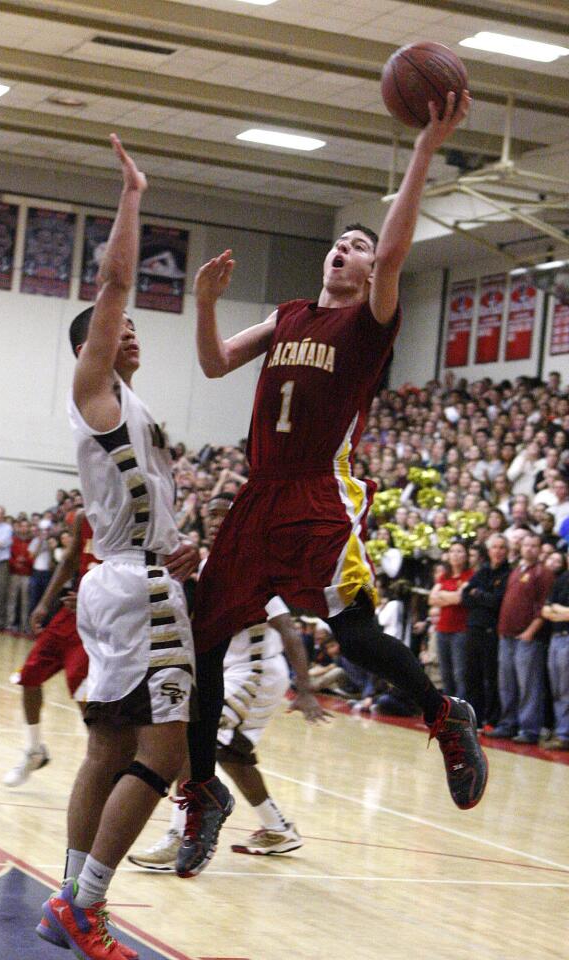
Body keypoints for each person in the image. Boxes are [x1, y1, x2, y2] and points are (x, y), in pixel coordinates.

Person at [179, 90, 488, 880]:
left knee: (351, 634)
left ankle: (444, 715)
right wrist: (206, 307)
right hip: (258, 494)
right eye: (340, 244)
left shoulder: (367, 324)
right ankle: (204, 793)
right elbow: (213, 364)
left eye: (358, 244)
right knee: (203, 639)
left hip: (318, 490)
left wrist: (423, 148)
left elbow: (393, 254)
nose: (347, 250)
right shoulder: (286, 318)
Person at [39, 134, 198, 960]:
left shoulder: (135, 416)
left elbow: (144, 514)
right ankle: (87, 905)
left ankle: (69, 895)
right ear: (91, 345)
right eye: (116, 327)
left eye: (134, 328)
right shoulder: (93, 392)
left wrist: (182, 550)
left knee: (106, 747)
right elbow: (114, 279)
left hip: (121, 582)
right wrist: (133, 195)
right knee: (163, 754)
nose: (129, 330)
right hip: (135, 596)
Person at [128, 491, 326, 869]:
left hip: (256, 671)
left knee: (190, 743)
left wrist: (306, 688)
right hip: (232, 671)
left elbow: (287, 628)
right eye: (212, 515)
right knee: (231, 753)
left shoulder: (250, 564)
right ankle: (278, 828)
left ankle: (179, 835)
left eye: (225, 514)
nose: (217, 520)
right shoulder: (208, 565)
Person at [3, 510, 95, 788]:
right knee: (28, 676)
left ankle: (104, 761)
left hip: (100, 619)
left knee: (83, 692)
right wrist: (45, 602)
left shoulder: (132, 515)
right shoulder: (84, 516)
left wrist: (98, 597)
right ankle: (34, 750)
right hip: (69, 613)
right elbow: (69, 560)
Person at [486, 532, 553, 744]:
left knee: (528, 686)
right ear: (520, 547)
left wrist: (530, 631)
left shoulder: (543, 573)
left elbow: (543, 607)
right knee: (507, 684)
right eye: (526, 545)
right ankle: (508, 724)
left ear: (540, 549)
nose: (530, 549)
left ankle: (529, 729)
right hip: (506, 635)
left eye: (534, 545)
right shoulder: (516, 571)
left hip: (527, 638)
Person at [461, 534, 510, 729]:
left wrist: (478, 594)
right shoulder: (482, 572)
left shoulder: (508, 574)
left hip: (491, 631)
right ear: (488, 551)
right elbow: (465, 597)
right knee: (472, 676)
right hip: (473, 628)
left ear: (506, 551)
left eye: (501, 547)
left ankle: (491, 720)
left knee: (490, 677)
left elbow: (497, 602)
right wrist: (482, 597)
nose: (497, 551)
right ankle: (474, 718)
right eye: (494, 547)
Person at [428, 542, 473, 700]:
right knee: (445, 674)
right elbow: (432, 599)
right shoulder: (444, 576)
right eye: (452, 551)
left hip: (460, 630)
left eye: (459, 551)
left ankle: (461, 711)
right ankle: (448, 711)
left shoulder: (470, 575)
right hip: (442, 629)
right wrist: (450, 596)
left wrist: (443, 596)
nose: (455, 554)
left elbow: (460, 598)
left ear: (466, 555)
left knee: (460, 673)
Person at [541, 561, 569, 750]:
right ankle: (561, 731)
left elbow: (552, 610)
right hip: (556, 637)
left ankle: (564, 733)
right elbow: (545, 609)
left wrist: (555, 611)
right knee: (557, 688)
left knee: (566, 689)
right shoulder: (563, 578)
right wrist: (562, 612)